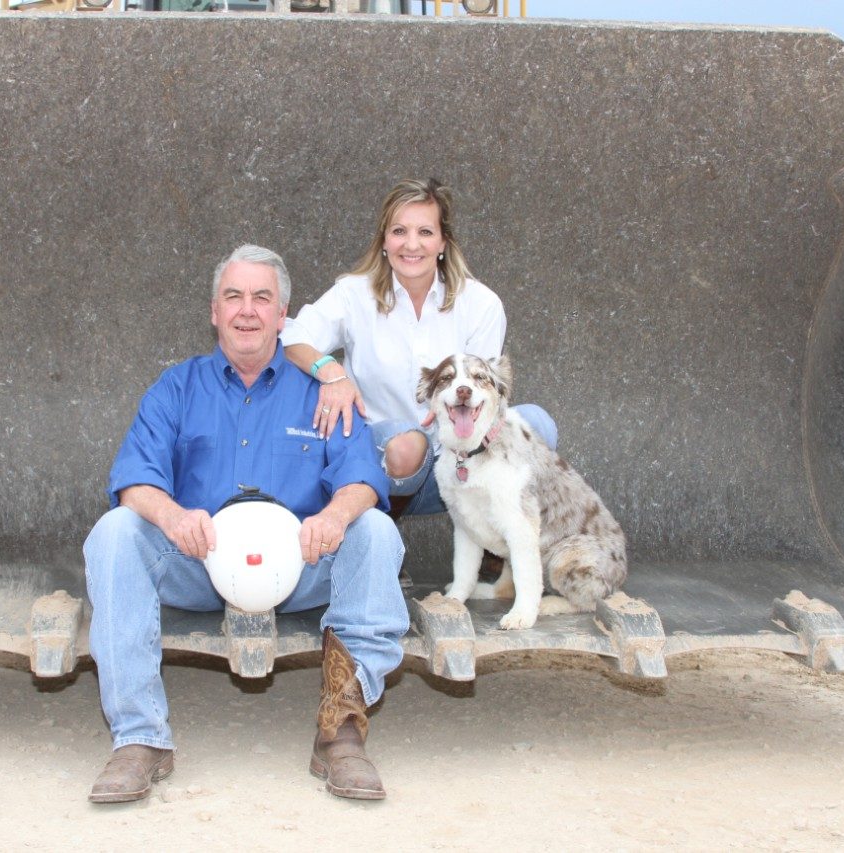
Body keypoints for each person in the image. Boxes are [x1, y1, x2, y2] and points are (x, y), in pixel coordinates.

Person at [83, 244, 409, 804]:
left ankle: (342, 733)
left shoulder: (324, 392)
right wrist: (174, 516)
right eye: (233, 296)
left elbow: (363, 477)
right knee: (114, 531)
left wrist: (333, 516)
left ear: (283, 315)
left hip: (303, 563)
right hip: (199, 563)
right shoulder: (177, 387)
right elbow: (134, 479)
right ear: (214, 312)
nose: (247, 310)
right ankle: (139, 738)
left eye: (262, 298)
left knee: (376, 531)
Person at [281, 177, 558, 522]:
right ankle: (381, 528)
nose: (411, 244)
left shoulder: (481, 304)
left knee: (537, 426)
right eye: (399, 231)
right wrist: (330, 371)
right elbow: (290, 336)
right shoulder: (353, 295)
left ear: (443, 242)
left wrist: (455, 409)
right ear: (384, 240)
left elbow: (486, 393)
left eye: (425, 232)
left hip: (460, 456)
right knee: (408, 444)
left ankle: (496, 539)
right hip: (383, 459)